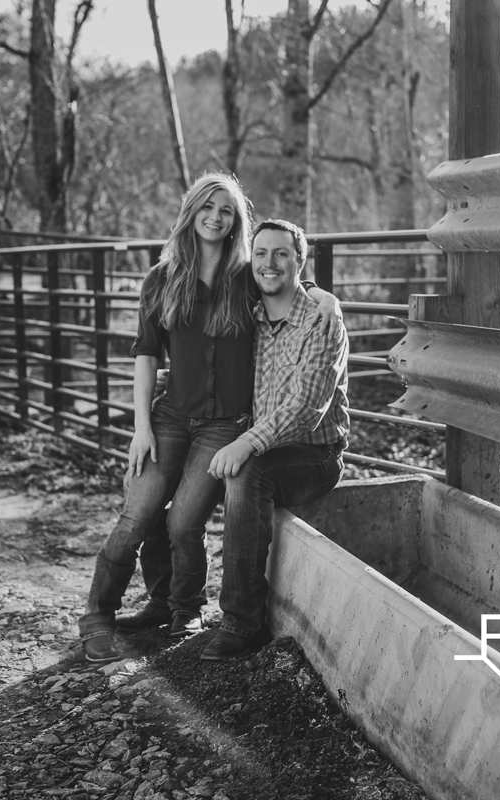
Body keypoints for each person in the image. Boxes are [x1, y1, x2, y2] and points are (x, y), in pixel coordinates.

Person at [77, 175, 339, 664]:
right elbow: (146, 356)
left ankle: (184, 608)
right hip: (170, 417)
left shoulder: (244, 279)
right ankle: (98, 616)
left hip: (224, 426)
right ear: (192, 212)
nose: (216, 217)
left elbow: (284, 280)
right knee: (136, 516)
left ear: (237, 219)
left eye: (226, 210)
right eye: (208, 207)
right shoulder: (162, 278)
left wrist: (323, 294)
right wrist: (140, 429)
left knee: (182, 523)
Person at [199, 218, 350, 661]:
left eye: (281, 254)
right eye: (261, 253)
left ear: (299, 262)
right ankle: (175, 602)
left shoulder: (322, 319)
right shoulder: (252, 315)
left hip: (315, 454)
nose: (269, 263)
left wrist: (246, 443)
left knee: (247, 471)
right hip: (265, 442)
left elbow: (307, 409)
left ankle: (242, 623)